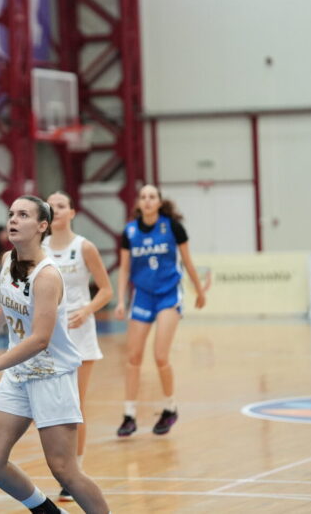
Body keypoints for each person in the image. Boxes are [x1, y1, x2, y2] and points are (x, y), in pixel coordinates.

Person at [0, 196, 110, 514]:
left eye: (23, 215)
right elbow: (9, 302)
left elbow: (41, 339)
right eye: (11, 214)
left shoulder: (47, 276)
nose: (13, 219)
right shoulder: (7, 260)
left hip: (51, 376)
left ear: (42, 226)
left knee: (65, 471)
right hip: (19, 374)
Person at [115, 184, 210, 437]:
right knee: (133, 357)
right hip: (142, 296)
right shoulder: (130, 231)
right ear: (138, 203)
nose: (147, 200)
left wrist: (199, 291)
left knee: (159, 356)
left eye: (152, 196)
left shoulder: (173, 227)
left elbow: (188, 262)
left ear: (159, 202)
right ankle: (129, 415)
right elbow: (124, 269)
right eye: (143, 197)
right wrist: (121, 300)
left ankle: (170, 407)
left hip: (168, 294)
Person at [44, 191, 114, 502]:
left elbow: (106, 290)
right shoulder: (39, 248)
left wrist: (86, 310)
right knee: (53, 406)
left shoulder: (84, 247)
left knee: (75, 405)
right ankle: (61, 466)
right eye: (51, 206)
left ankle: (75, 472)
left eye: (61, 206)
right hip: (50, 335)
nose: (56, 210)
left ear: (72, 212)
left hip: (80, 334)